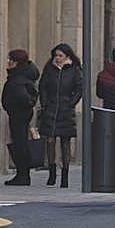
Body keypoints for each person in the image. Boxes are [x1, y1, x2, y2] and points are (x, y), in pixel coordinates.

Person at [38, 43, 83, 188]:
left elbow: (79, 88)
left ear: (67, 57)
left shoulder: (74, 70)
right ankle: (52, 171)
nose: (57, 58)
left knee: (65, 142)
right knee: (50, 140)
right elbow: (43, 86)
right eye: (56, 55)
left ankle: (65, 174)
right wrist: (44, 103)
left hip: (65, 109)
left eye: (60, 56)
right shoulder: (49, 69)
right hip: (50, 108)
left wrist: (71, 103)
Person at [1, 49, 39, 186]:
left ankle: (23, 174)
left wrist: (18, 105)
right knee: (19, 141)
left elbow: (24, 97)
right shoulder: (21, 76)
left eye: (10, 60)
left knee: (20, 143)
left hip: (19, 113)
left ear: (16, 63)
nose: (8, 62)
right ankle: (22, 173)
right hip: (18, 112)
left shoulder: (18, 78)